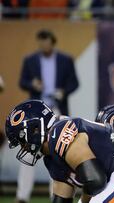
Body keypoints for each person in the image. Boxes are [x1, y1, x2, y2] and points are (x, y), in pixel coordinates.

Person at [5, 100, 114, 203]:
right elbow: (62, 199)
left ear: (35, 129)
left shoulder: (58, 132)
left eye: (21, 139)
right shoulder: (50, 156)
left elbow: (95, 180)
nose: (23, 146)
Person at [17, 29, 79, 203]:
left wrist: (63, 92)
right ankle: (22, 196)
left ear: (53, 41)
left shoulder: (65, 59)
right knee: (28, 151)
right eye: (40, 41)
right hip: (36, 114)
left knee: (58, 153)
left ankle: (57, 193)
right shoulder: (30, 60)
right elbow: (22, 81)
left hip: (57, 111)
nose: (43, 44)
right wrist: (32, 84)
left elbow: (74, 82)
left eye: (45, 41)